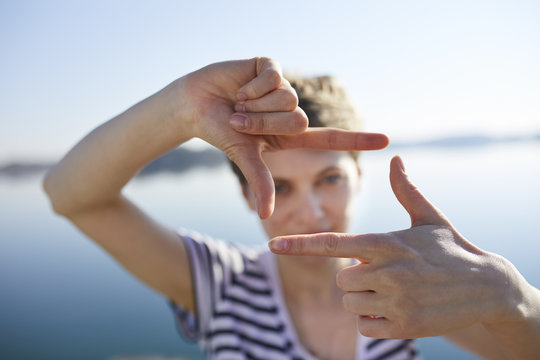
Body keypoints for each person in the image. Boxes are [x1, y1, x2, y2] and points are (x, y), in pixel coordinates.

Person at [41, 57, 539, 359]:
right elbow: (69, 195)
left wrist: (511, 297)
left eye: (329, 179)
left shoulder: (409, 289)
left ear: (359, 177)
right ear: (244, 195)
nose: (314, 212)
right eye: (281, 187)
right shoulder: (221, 282)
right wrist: (182, 107)